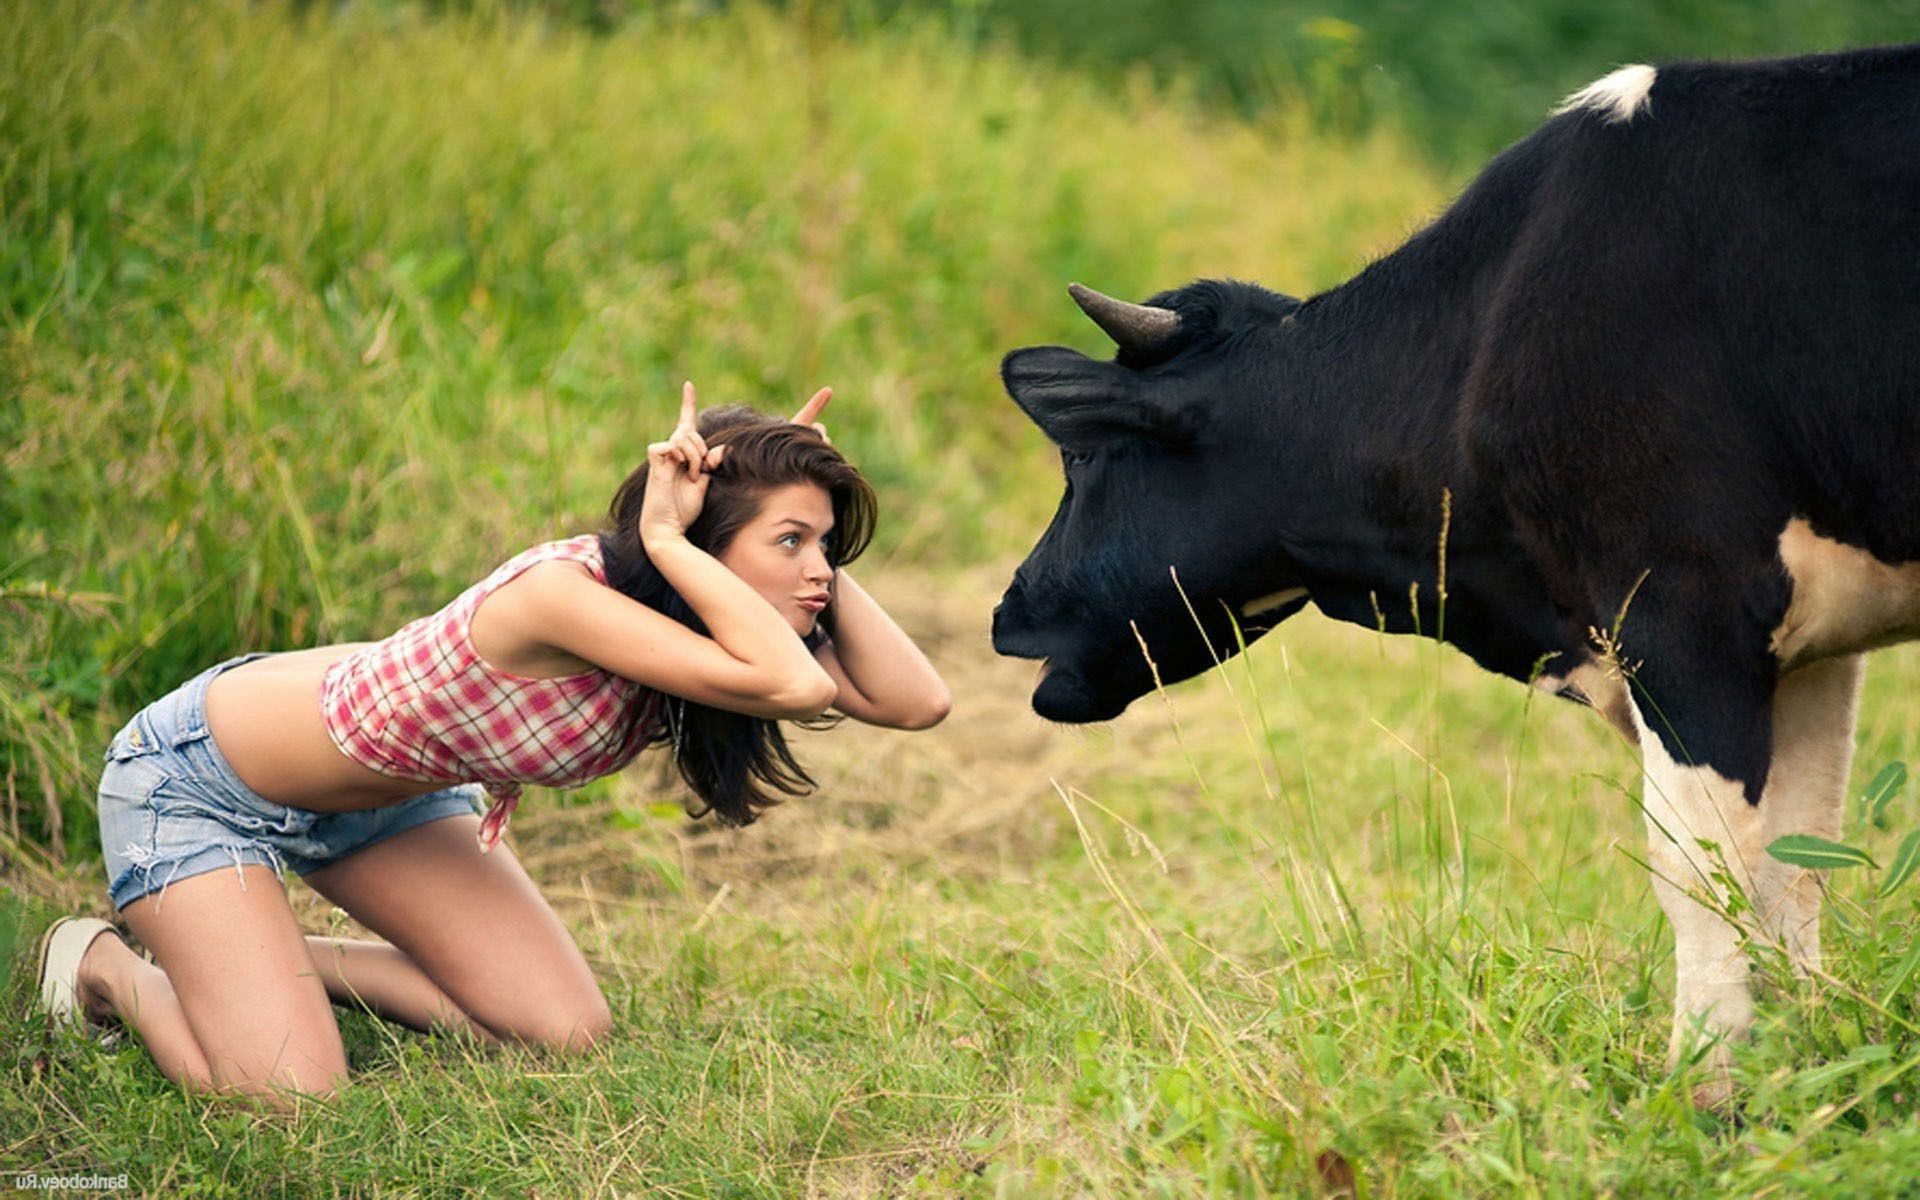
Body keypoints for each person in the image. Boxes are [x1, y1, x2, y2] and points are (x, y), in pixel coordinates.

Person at [33, 384, 950, 1104]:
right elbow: (796, 687)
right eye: (791, 542)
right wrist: (671, 537)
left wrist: (807, 540)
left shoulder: (721, 623)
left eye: (824, 546)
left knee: (564, 1032)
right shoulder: (568, 596)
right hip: (200, 783)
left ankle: (264, 955)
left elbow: (916, 703)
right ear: (707, 545)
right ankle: (110, 965)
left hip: (390, 804)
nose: (819, 570)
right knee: (288, 1099)